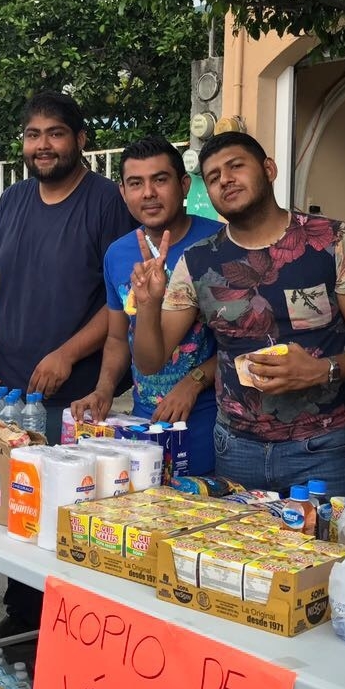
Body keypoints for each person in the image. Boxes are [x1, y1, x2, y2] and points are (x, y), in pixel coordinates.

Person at [129, 130, 345, 689]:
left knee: (322, 598)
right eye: (213, 176)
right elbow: (154, 357)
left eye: (235, 167)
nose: (225, 181)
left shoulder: (332, 242)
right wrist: (149, 305)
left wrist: (317, 372)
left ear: (266, 169)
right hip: (236, 448)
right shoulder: (200, 262)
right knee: (238, 590)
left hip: (321, 448)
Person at [0, 90, 136, 648]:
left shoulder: (107, 201)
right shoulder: (14, 199)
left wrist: (68, 353)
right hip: (12, 387)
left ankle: (66, 634)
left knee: (64, 513)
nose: (43, 145)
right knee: (11, 507)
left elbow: (122, 299)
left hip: (78, 391)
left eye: (55, 133)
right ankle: (21, 617)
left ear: (80, 140)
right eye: (33, 135)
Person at [70, 136, 222, 476]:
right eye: (136, 184)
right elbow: (116, 337)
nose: (148, 193)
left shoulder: (219, 244)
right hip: (144, 425)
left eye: (160, 180)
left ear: (184, 185)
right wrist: (104, 389)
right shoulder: (118, 254)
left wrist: (194, 381)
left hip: (210, 423)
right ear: (123, 192)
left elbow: (244, 343)